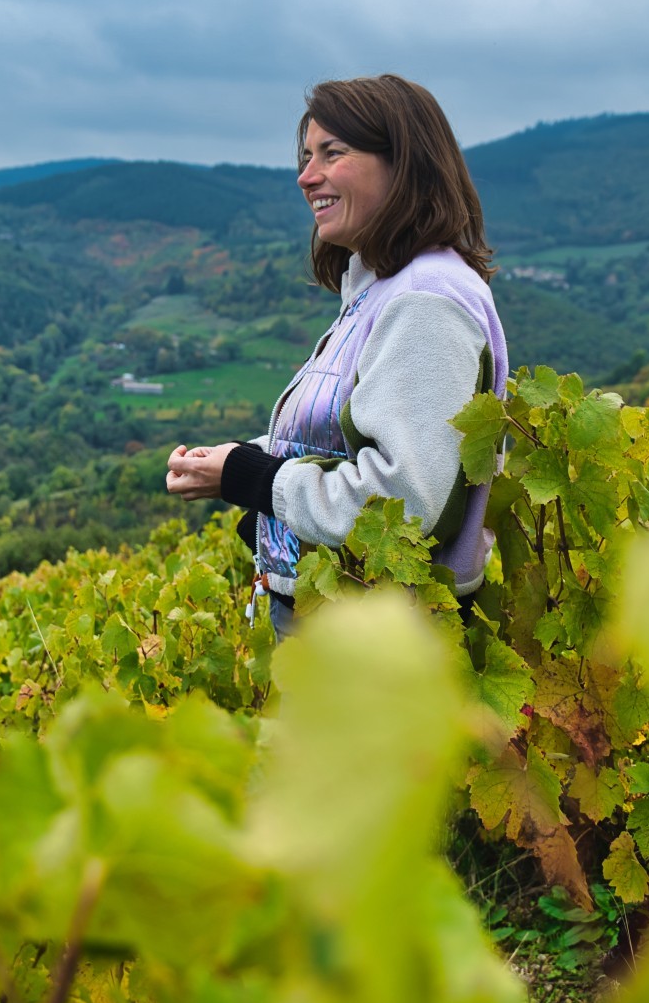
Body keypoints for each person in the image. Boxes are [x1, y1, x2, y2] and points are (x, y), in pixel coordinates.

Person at [164, 74, 508, 634]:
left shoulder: (424, 303)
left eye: (333, 153)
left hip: (376, 636)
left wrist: (256, 479)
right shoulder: (382, 289)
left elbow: (407, 504)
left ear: (402, 163)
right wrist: (237, 459)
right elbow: (344, 445)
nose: (306, 177)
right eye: (306, 156)